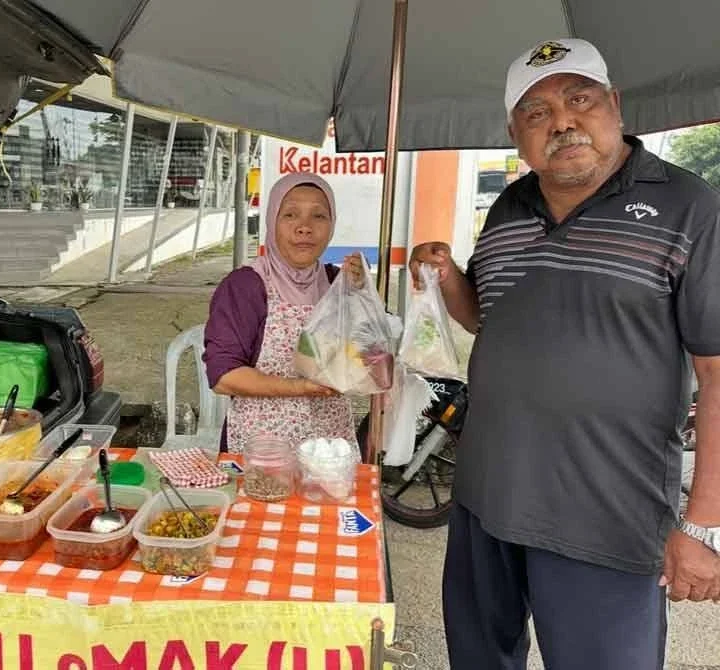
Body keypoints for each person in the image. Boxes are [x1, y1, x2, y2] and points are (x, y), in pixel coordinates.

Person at [409, 38, 720, 669]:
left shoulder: (688, 207)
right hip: (485, 499)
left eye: (579, 100)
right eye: (537, 112)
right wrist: (446, 278)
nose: (562, 122)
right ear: (514, 134)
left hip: (603, 519)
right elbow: (487, 317)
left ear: (614, 105)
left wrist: (703, 524)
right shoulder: (508, 206)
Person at [204, 172, 362, 453]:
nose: (305, 228)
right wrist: (300, 388)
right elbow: (224, 377)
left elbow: (371, 356)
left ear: (332, 225)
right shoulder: (246, 285)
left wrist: (362, 294)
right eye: (290, 215)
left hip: (328, 448)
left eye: (318, 216)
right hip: (260, 447)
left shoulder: (339, 282)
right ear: (271, 221)